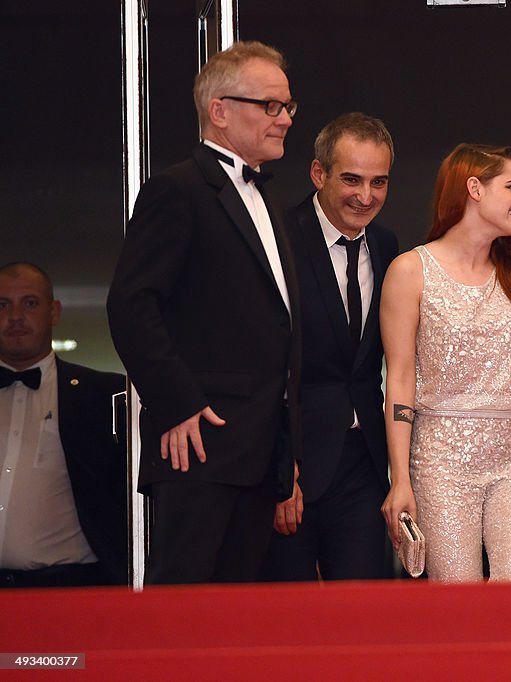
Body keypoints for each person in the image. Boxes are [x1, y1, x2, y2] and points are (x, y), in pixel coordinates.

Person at [106, 41, 301, 584]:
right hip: (200, 445)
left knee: (238, 627)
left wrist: (288, 451)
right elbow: (130, 304)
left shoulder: (267, 199)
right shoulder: (178, 189)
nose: (284, 119)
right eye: (270, 106)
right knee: (182, 616)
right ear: (220, 110)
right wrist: (177, 404)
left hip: (261, 453)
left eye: (287, 107)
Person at [380, 144, 511, 582]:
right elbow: (399, 381)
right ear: (474, 188)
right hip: (441, 461)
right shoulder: (410, 270)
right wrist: (400, 479)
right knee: (460, 607)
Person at [261, 113, 399, 581]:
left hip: (362, 464)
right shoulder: (278, 239)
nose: (366, 196)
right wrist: (282, 471)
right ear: (319, 174)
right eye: (352, 179)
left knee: (364, 619)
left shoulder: (386, 245)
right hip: (294, 467)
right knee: (287, 623)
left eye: (378, 181)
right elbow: (265, 366)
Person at [0, 262, 128, 587]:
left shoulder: (105, 395)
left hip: (69, 590)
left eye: (30, 303)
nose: (15, 316)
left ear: (53, 311)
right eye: (3, 304)